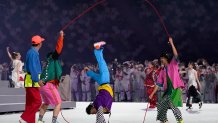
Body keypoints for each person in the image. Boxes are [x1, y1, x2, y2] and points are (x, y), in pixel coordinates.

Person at [149, 37, 184, 123]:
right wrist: (152, 94)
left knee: (173, 106)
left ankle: (180, 121)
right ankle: (164, 120)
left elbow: (176, 55)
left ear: (166, 59)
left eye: (163, 58)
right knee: (161, 104)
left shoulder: (173, 64)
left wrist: (172, 43)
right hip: (167, 91)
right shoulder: (162, 71)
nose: (161, 59)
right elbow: (158, 84)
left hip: (175, 89)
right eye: (160, 58)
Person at [37, 31, 64, 123]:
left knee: (46, 103)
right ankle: (54, 121)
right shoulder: (53, 59)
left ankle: (40, 120)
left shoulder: (48, 64)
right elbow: (58, 48)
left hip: (42, 86)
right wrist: (61, 36)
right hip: (48, 85)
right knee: (58, 103)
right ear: (52, 56)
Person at [85, 41, 113, 123]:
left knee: (102, 63)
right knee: (94, 74)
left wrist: (100, 121)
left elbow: (99, 113)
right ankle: (88, 71)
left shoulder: (97, 103)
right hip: (102, 84)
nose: (93, 114)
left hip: (104, 83)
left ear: (92, 107)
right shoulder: (96, 105)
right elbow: (99, 113)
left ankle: (97, 49)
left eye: (92, 112)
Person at [19, 35, 45, 123]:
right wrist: (38, 80)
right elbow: (33, 67)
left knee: (30, 103)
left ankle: (30, 121)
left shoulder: (31, 52)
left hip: (29, 80)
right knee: (37, 101)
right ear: (39, 44)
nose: (42, 43)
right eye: (41, 42)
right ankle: (24, 118)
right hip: (32, 80)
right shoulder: (33, 53)